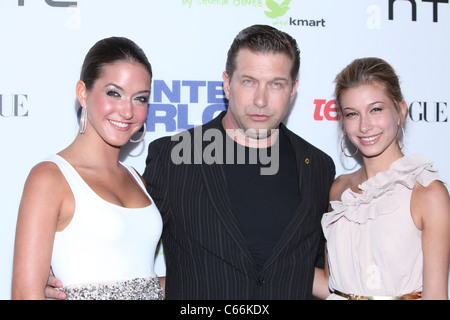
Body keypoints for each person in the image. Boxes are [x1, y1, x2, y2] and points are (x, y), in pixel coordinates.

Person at [141, 24, 335, 299]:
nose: (260, 100)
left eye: (276, 84)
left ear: (293, 90)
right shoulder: (172, 158)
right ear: (226, 83)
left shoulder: (318, 166)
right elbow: (125, 241)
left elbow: (328, 272)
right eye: (249, 81)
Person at [12, 37, 164, 300]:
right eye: (114, 93)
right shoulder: (50, 178)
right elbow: (26, 295)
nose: (127, 111)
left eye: (140, 98)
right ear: (83, 93)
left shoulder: (137, 179)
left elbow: (141, 282)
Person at [315, 57, 450, 300]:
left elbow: (436, 296)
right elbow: (330, 284)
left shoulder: (426, 193)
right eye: (352, 113)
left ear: (400, 111)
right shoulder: (339, 190)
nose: (365, 126)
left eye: (375, 109)